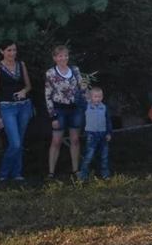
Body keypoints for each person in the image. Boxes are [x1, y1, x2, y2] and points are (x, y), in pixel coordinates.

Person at [0, 41, 33, 183]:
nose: (12, 53)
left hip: (24, 106)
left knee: (19, 141)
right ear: (2, 51)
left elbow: (28, 86)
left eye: (14, 50)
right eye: (9, 50)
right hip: (7, 108)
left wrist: (24, 91)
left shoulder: (21, 65)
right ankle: (3, 172)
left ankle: (17, 173)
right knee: (14, 142)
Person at [45, 45, 85, 180]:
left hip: (75, 109)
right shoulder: (50, 73)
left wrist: (88, 95)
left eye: (66, 55)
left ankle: (76, 170)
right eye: (60, 56)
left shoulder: (75, 70)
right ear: (55, 58)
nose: (64, 58)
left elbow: (82, 86)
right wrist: (53, 116)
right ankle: (51, 172)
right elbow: (48, 95)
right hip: (59, 109)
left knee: (75, 139)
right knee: (56, 141)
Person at [79, 86, 112, 180]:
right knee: (89, 156)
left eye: (99, 97)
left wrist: (109, 133)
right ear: (90, 97)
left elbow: (108, 121)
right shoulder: (87, 106)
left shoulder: (104, 107)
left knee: (104, 156)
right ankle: (83, 176)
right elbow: (78, 100)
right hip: (91, 135)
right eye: (95, 96)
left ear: (102, 97)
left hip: (103, 135)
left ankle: (105, 174)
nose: (97, 99)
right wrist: (82, 90)